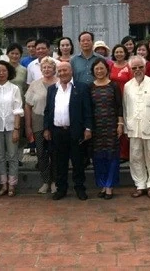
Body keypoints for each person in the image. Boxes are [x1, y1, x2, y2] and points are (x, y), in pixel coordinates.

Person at [43, 61, 93, 200]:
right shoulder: (52, 89)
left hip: (75, 131)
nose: (62, 73)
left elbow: (87, 110)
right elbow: (48, 111)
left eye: (65, 70)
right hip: (57, 132)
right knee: (60, 163)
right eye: (60, 71)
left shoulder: (81, 88)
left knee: (78, 162)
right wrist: (46, 128)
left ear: (71, 71)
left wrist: (88, 128)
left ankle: (79, 188)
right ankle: (61, 189)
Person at [124, 55, 150, 198]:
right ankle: (140, 185)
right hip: (133, 127)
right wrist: (125, 128)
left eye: (140, 67)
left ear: (145, 67)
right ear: (130, 69)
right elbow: (125, 108)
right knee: (135, 157)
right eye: (134, 68)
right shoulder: (127, 86)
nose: (137, 70)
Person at [90, 58, 123, 200]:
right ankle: (102, 184)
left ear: (107, 70)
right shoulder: (89, 87)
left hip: (111, 125)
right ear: (93, 71)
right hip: (96, 127)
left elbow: (119, 106)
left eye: (102, 68)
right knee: (98, 157)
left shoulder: (113, 86)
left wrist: (120, 124)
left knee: (112, 156)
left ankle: (109, 186)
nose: (99, 71)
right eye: (96, 69)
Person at [25, 57, 58, 194]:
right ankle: (46, 181)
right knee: (41, 153)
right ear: (40, 69)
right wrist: (28, 126)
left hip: (56, 121)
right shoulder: (34, 84)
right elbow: (27, 106)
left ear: (54, 69)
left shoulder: (59, 83)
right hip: (38, 120)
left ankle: (55, 181)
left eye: (49, 67)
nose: (46, 69)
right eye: (44, 67)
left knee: (55, 153)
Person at [0, 60, 24, 197]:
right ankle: (3, 184)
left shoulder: (14, 88)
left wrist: (16, 129)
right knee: (0, 157)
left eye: (4, 70)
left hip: (11, 126)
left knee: (12, 156)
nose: (1, 73)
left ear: (8, 72)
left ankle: (12, 184)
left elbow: (17, 109)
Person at [109, 44, 132, 162]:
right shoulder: (111, 66)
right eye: (116, 52)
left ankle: (127, 153)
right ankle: (119, 152)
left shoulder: (129, 66)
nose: (119, 54)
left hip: (127, 98)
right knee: (118, 124)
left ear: (125, 53)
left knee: (127, 125)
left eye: (121, 52)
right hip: (114, 99)